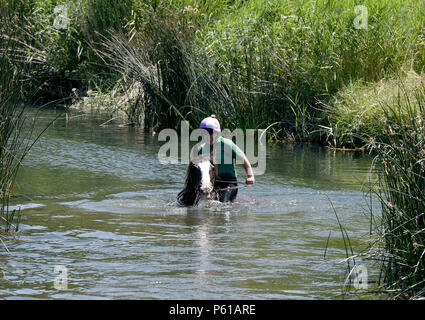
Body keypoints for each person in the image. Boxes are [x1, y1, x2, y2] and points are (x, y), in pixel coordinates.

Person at [195, 114, 255, 202]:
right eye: (204, 133)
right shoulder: (201, 149)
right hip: (211, 183)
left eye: (210, 133)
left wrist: (251, 176)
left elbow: (244, 161)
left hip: (229, 183)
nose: (207, 136)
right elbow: (197, 169)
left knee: (223, 203)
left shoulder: (227, 144)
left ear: (218, 133)